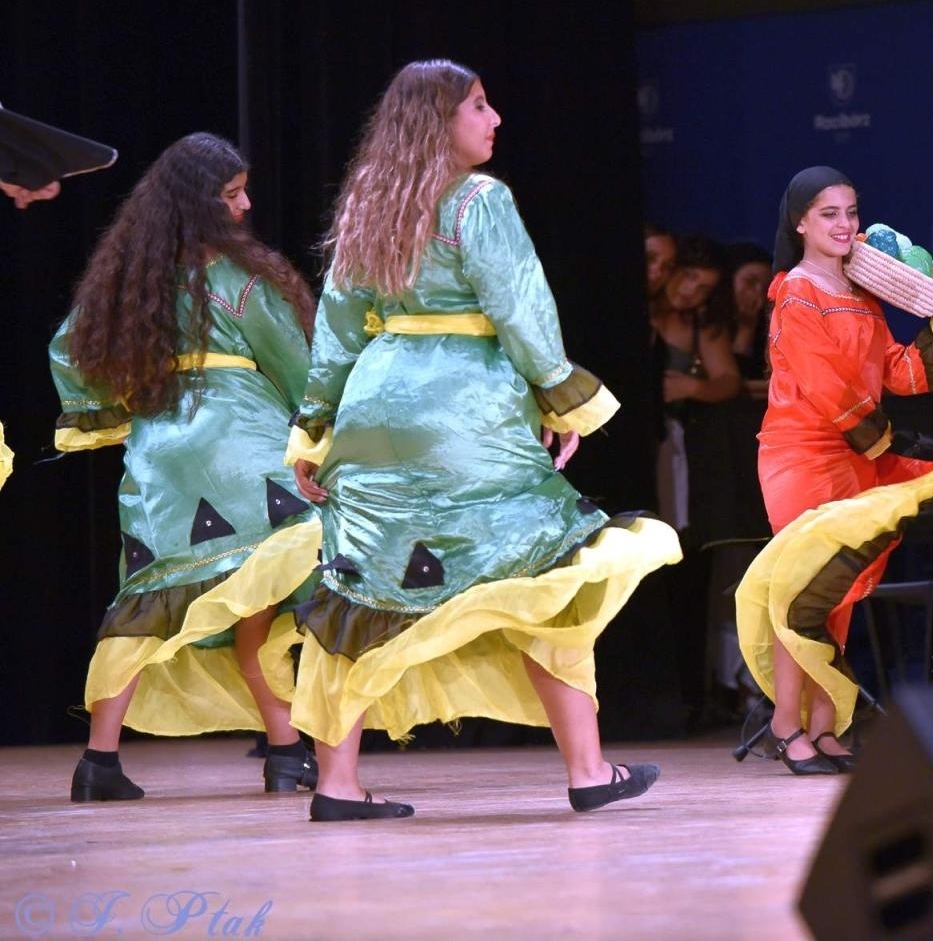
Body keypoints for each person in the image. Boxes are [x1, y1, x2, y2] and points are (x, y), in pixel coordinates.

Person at [284, 59, 680, 821]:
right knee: (542, 574)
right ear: (441, 121)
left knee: (356, 588)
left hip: (373, 406)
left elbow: (334, 329)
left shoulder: (370, 203)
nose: (494, 119)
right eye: (478, 105)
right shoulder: (479, 200)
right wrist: (563, 401)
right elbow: (522, 311)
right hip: (465, 411)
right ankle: (588, 769)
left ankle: (335, 785)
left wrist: (311, 429)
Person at [48, 133, 322, 802]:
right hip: (242, 445)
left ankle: (98, 764)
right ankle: (287, 753)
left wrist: (108, 415)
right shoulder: (241, 280)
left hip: (159, 450)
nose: (246, 204)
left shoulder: (126, 280)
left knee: (144, 605)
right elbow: (296, 366)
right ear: (201, 204)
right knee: (257, 599)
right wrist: (318, 430)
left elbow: (67, 347)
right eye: (232, 194)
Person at [735, 165, 933, 774]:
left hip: (852, 452)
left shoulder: (863, 295)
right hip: (804, 453)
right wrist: (880, 443)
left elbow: (894, 372)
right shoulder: (795, 291)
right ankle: (786, 724)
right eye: (829, 214)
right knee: (804, 591)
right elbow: (825, 387)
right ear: (800, 223)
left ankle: (825, 726)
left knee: (836, 596)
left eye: (851, 211)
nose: (845, 224)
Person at [651, 234, 742, 530]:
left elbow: (728, 380)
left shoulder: (699, 325)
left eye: (703, 288)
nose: (691, 291)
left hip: (666, 438)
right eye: (689, 276)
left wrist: (693, 387)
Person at [724, 241, 775, 391]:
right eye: (750, 282)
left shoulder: (767, 327)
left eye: (765, 288)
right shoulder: (704, 319)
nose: (758, 293)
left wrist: (747, 330)